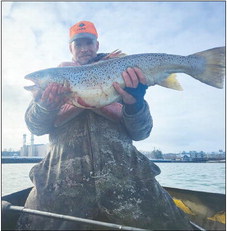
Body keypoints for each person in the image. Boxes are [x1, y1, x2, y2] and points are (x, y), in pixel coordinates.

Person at [17, 21, 191, 230]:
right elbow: (34, 126)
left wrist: (135, 104)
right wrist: (45, 107)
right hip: (60, 184)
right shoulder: (53, 83)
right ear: (70, 48)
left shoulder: (121, 74)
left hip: (127, 181)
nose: (84, 49)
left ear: (97, 45)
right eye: (77, 44)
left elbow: (142, 132)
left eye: (88, 43)